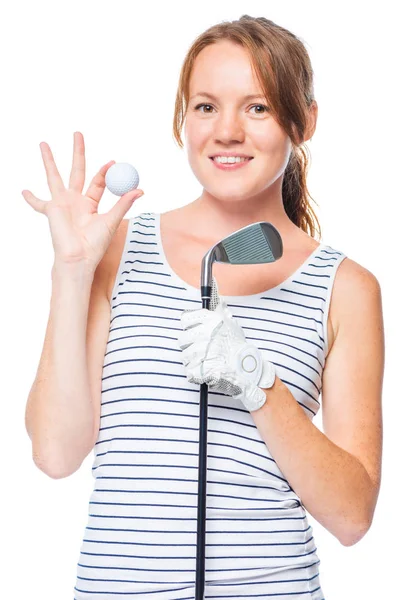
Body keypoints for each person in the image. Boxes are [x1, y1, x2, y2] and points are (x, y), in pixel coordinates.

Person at [23, 15, 384, 600]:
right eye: (207, 107)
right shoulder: (116, 251)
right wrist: (72, 272)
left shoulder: (345, 286)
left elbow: (351, 515)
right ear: (182, 120)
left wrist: (255, 378)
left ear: (305, 120)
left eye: (258, 107)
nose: (228, 132)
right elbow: (54, 453)